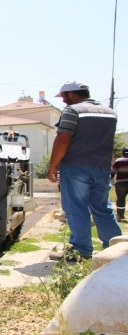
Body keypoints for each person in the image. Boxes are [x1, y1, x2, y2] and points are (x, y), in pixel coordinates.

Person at [47, 80, 122, 261]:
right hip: (102, 166)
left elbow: (63, 139)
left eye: (64, 97)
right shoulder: (110, 112)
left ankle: (81, 251)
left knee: (76, 208)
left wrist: (53, 165)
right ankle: (117, 250)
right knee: (102, 208)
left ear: (71, 94)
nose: (64, 101)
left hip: (76, 167)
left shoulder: (73, 111)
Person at [111, 147, 128, 220]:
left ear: (122, 153)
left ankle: (120, 215)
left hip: (121, 183)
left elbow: (113, 172)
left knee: (120, 199)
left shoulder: (118, 161)